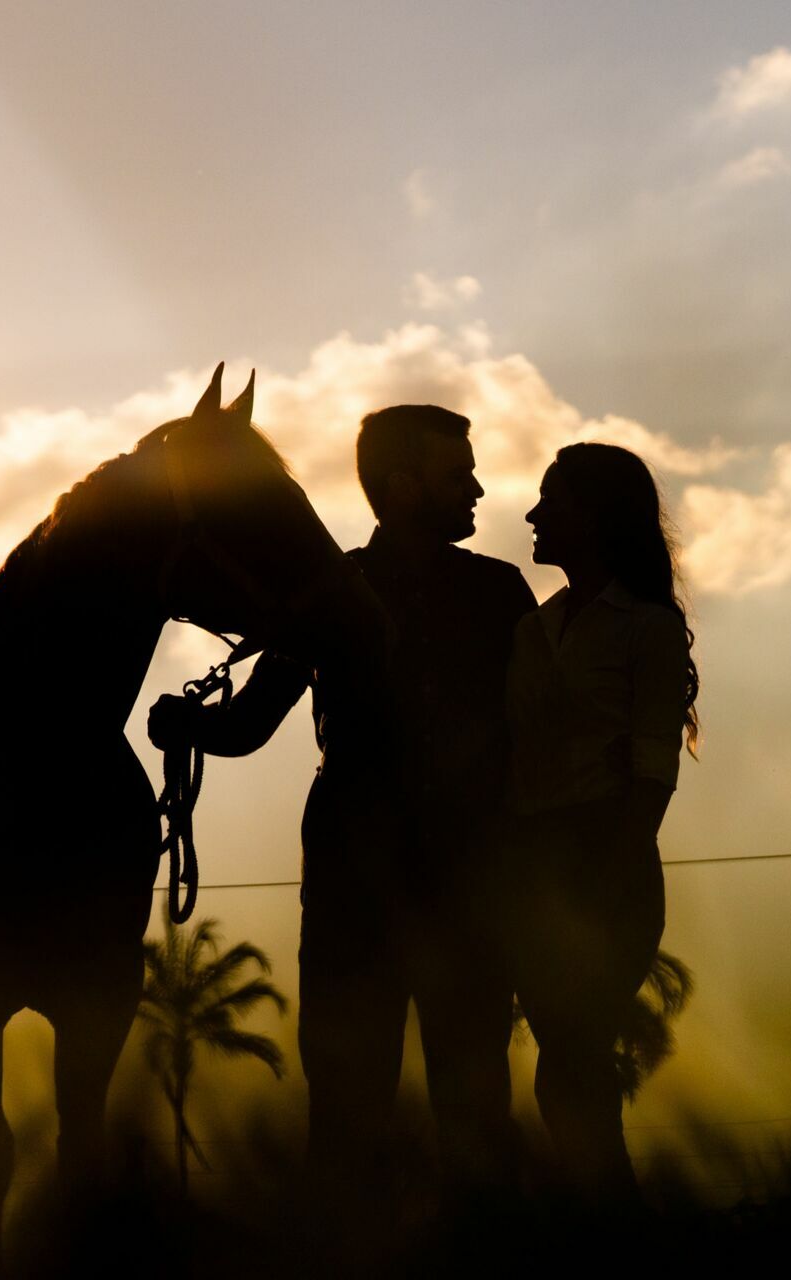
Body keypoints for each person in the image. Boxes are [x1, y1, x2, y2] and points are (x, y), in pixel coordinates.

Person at [148, 404, 536, 1211]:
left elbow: (249, 726)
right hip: (406, 888)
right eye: (457, 473)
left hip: (389, 885)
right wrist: (194, 725)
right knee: (386, 1105)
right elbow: (248, 723)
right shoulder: (382, 594)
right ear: (403, 487)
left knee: (430, 1104)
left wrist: (197, 725)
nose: (477, 488)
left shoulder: (485, 592)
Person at [502, 442, 699, 1208]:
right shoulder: (532, 630)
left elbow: (654, 769)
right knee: (566, 1062)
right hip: (533, 862)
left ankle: (609, 1216)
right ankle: (607, 1215)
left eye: (553, 500)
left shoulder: (644, 628)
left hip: (605, 862)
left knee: (574, 1062)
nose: (534, 513)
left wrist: (606, 875)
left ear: (596, 517)